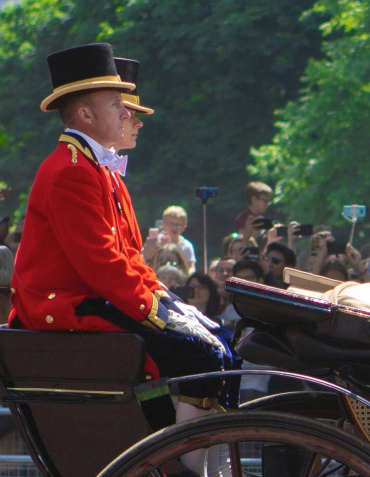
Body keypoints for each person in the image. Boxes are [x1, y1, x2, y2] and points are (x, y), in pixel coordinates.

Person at [12, 43, 236, 421]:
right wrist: (159, 314)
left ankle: (201, 466)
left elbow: (128, 258)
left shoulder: (96, 169)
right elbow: (103, 266)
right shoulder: (71, 171)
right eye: (118, 105)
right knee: (200, 354)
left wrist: (170, 304)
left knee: (221, 344)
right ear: (84, 113)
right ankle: (190, 471)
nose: (130, 115)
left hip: (95, 298)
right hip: (66, 306)